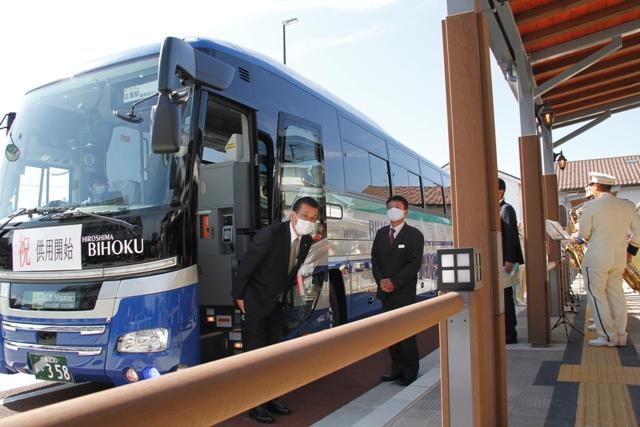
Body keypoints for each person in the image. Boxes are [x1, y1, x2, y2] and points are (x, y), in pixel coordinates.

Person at [231, 196, 319, 423]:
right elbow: (247, 265)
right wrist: (239, 296)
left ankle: (271, 399)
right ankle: (255, 405)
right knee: (255, 356)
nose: (309, 221)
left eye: (313, 218)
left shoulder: (307, 240)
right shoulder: (271, 234)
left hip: (276, 305)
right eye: (306, 216)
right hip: (256, 302)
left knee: (273, 355)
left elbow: (289, 271)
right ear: (293, 215)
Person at [574, 172, 640, 347]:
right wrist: (631, 250)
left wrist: (576, 237)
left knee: (597, 296)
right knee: (617, 295)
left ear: (596, 186)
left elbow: (584, 234)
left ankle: (607, 336)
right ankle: (620, 335)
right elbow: (638, 232)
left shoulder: (591, 206)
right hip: (618, 259)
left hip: (596, 258)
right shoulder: (628, 205)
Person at [372, 195, 425, 386]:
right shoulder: (380, 234)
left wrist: (394, 282)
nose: (393, 209)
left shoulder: (414, 235)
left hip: (403, 292)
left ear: (405, 211)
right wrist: (381, 281)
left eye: (397, 207)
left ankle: (410, 372)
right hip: (385, 292)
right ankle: (396, 370)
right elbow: (375, 260)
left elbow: (414, 264)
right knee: (390, 332)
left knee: (406, 332)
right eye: (390, 207)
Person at [498, 178, 524, 344]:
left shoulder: (506, 209)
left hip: (506, 262)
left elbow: (511, 236)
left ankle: (510, 334)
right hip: (502, 261)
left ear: (500, 191)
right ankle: (506, 332)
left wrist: (508, 260)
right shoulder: (499, 209)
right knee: (504, 296)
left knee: (506, 297)